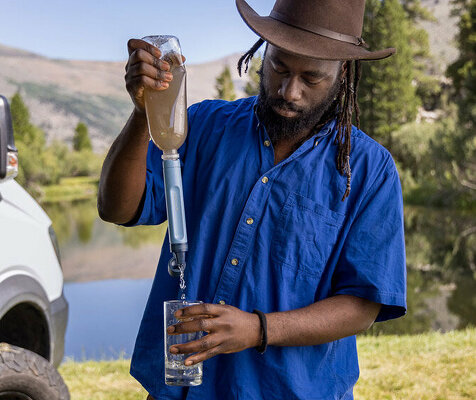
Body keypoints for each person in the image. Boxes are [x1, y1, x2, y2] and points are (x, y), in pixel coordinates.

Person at [97, 0, 407, 398]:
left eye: (311, 78)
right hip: (181, 388)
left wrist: (258, 329)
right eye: (279, 67)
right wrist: (144, 112)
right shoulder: (205, 127)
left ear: (343, 71)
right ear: (262, 52)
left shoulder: (369, 170)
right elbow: (117, 207)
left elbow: (363, 305)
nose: (288, 91)